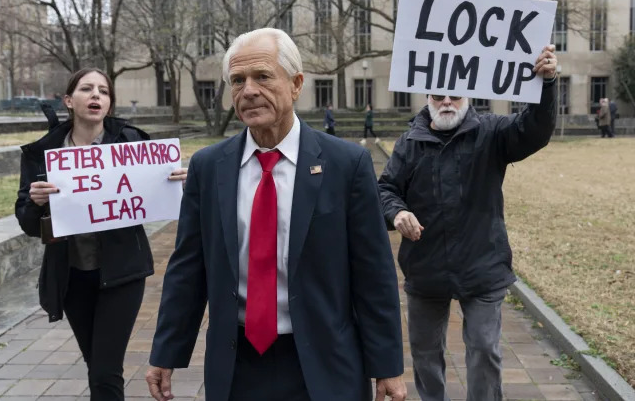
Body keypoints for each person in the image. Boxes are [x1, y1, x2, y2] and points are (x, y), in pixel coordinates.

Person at [146, 28, 406, 401]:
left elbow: (374, 274)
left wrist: (387, 365)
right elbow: (188, 267)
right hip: (237, 366)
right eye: (237, 81)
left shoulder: (346, 165)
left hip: (325, 364)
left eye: (262, 76)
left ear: (296, 84)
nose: (248, 90)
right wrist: (166, 352)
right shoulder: (208, 167)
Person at [378, 45, 559, 401]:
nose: (447, 102)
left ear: (468, 96)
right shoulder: (409, 143)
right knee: (427, 356)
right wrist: (397, 213)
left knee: (484, 352)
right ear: (428, 98)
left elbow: (534, 131)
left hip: (482, 268)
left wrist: (547, 84)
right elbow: (385, 189)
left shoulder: (492, 133)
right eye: (438, 95)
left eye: (455, 95)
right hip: (426, 269)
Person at [15, 68, 187, 401]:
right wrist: (36, 203)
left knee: (105, 371)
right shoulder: (42, 154)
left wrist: (173, 180)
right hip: (72, 276)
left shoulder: (130, 141)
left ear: (109, 103)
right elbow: (26, 223)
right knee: (98, 367)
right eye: (87, 89)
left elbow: (153, 191)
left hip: (122, 273)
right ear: (68, 100)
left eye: (103, 91)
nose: (96, 96)